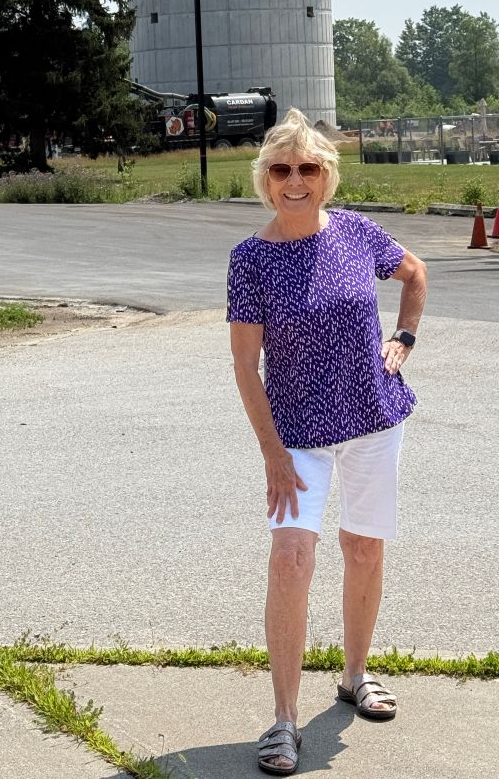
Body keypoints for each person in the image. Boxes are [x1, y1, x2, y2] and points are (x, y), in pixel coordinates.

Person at [227, 108, 427, 775]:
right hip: (295, 437)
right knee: (290, 557)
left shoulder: (355, 233)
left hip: (374, 420)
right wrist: (272, 455)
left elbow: (416, 273)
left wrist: (403, 338)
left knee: (364, 547)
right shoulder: (251, 259)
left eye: (308, 167)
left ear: (327, 175)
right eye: (281, 169)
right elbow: (244, 368)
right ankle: (283, 719)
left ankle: (355, 674)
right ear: (265, 178)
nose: (294, 180)